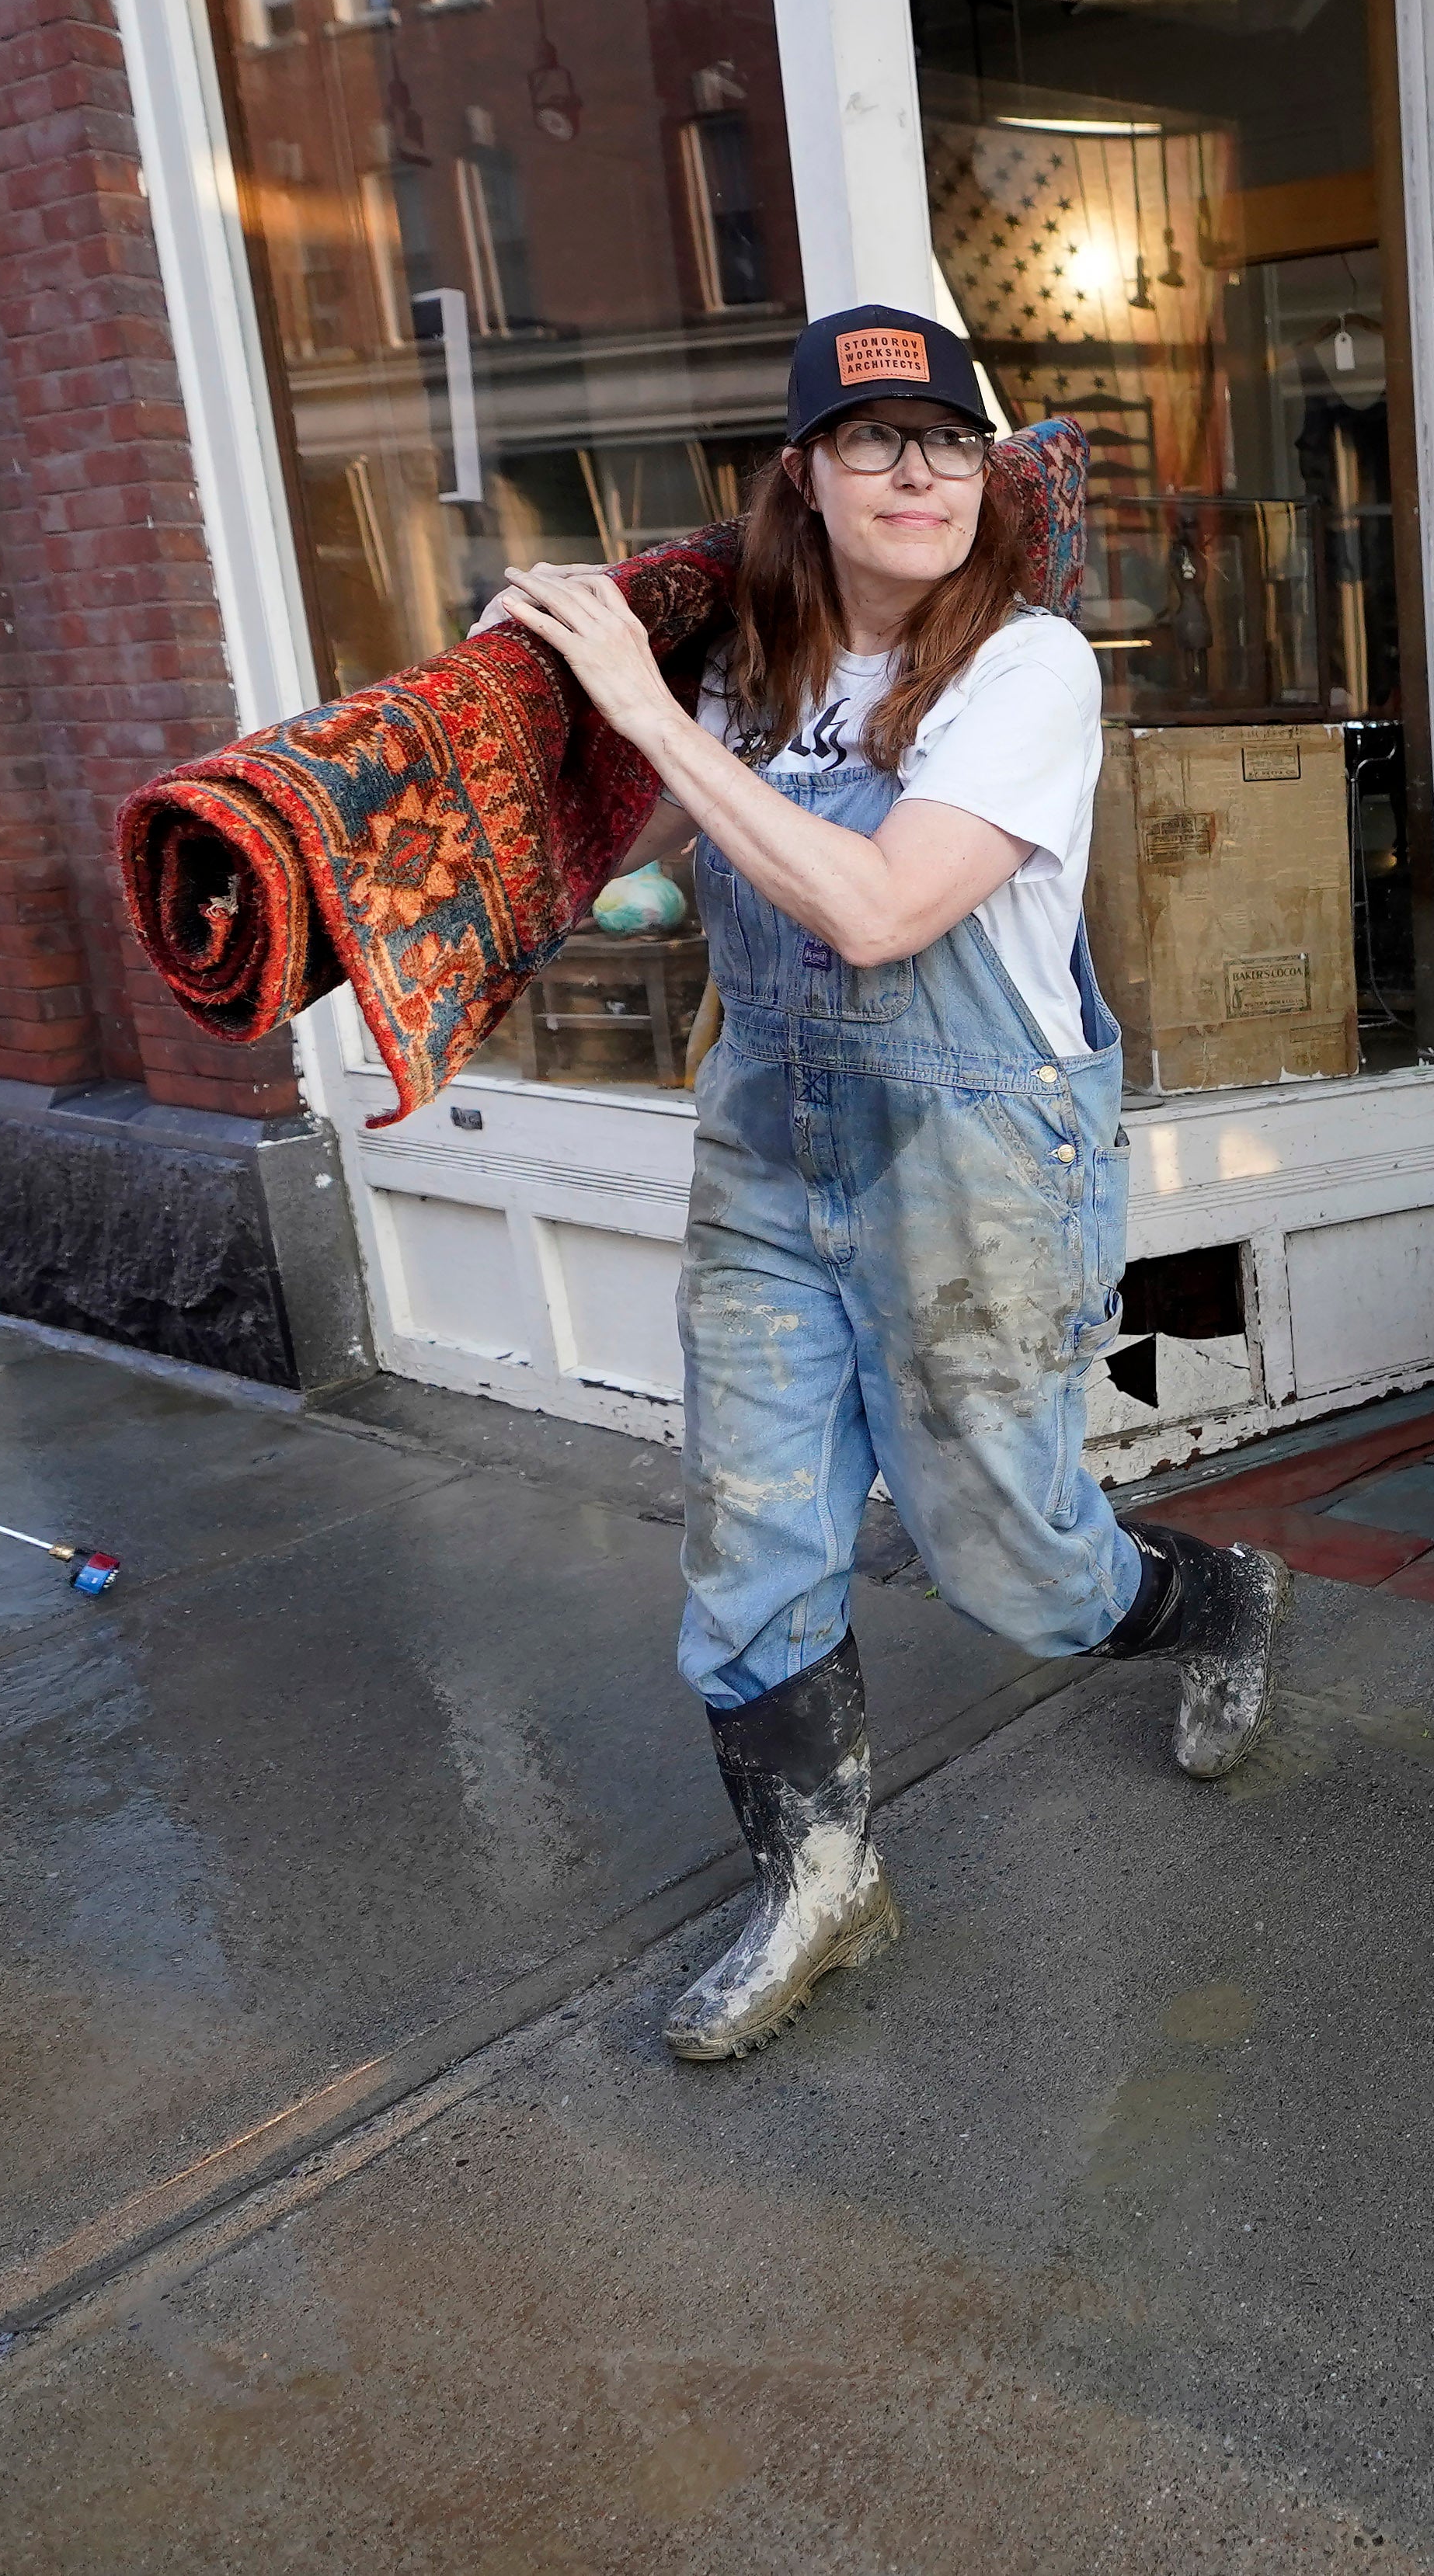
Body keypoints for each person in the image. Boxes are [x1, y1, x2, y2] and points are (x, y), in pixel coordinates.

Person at [490, 304, 1283, 2063]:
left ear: (981, 473)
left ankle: (1212, 1597)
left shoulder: (1027, 670)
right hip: (772, 1148)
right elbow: (608, 871)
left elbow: (876, 911)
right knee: (746, 1539)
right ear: (808, 474)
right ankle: (818, 1883)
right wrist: (540, 703)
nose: (916, 469)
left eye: (946, 438)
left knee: (1012, 1570)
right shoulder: (743, 677)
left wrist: (645, 706)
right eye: (873, 439)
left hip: (976, 1158)